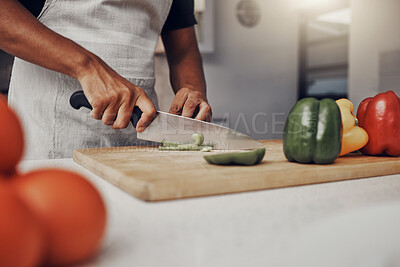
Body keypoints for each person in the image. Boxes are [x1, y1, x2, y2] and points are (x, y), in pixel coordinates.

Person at [0, 0, 212, 159]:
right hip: (52, 143)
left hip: (141, 143)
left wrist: (192, 91)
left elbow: (183, 51)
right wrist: (87, 67)